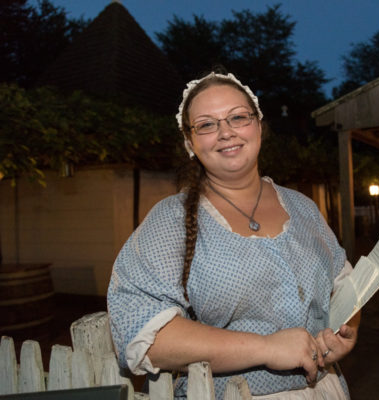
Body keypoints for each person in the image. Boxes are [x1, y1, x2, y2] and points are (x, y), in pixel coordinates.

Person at [107, 71, 360, 399]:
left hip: (324, 389)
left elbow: (347, 283)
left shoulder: (302, 207)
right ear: (189, 142)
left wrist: (346, 331)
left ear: (258, 126)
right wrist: (266, 348)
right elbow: (144, 334)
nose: (226, 132)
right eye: (207, 124)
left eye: (238, 117)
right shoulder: (170, 221)